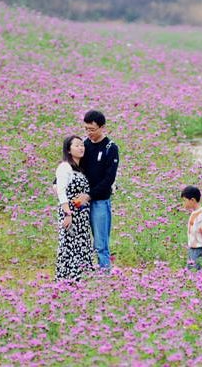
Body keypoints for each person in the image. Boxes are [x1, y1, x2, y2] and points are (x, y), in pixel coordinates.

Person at [79, 110, 119, 271]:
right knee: (81, 239)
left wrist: (90, 195)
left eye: (92, 129)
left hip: (99, 201)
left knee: (101, 242)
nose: (89, 133)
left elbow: (109, 179)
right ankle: (83, 271)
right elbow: (72, 164)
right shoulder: (84, 145)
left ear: (103, 128)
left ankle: (105, 274)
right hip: (81, 201)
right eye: (86, 129)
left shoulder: (110, 148)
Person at [54, 135, 94, 281]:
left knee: (82, 244)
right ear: (69, 150)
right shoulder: (65, 167)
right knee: (69, 245)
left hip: (82, 214)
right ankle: (67, 280)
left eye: (82, 145)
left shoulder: (81, 169)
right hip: (70, 212)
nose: (81, 147)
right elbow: (60, 190)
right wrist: (67, 213)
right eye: (76, 145)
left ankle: (82, 280)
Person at [181, 185, 202, 270]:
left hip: (199, 249)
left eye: (184, 200)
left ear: (192, 200)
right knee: (192, 270)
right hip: (193, 248)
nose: (183, 203)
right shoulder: (194, 213)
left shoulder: (201, 215)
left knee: (197, 271)